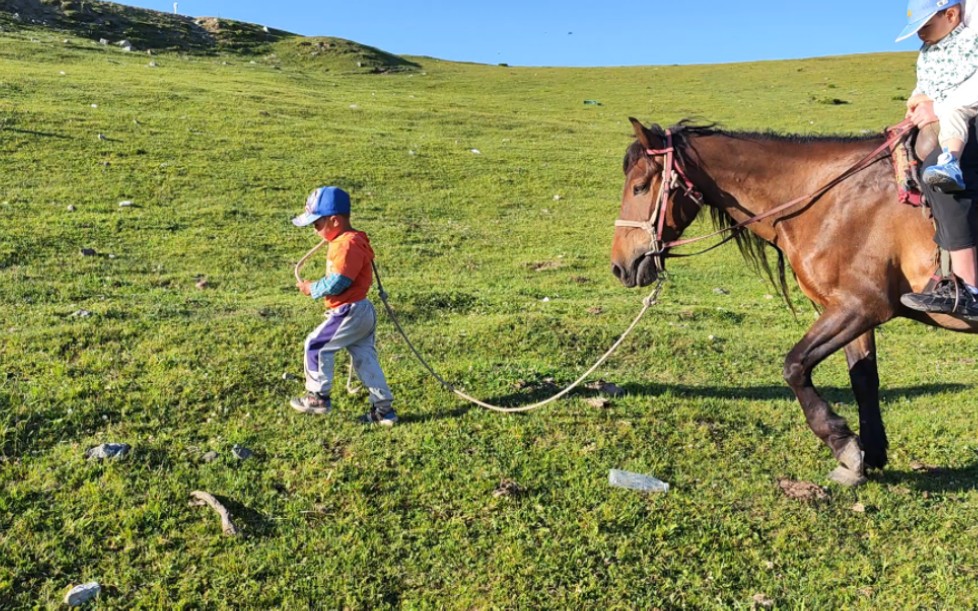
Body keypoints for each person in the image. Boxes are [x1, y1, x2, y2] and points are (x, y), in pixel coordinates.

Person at [290, 186, 397, 425]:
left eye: (317, 224)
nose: (315, 230)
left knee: (315, 345)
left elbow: (339, 281)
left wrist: (312, 288)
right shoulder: (351, 239)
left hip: (348, 310)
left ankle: (318, 396)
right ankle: (384, 411)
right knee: (365, 359)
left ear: (334, 220)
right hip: (362, 311)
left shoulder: (346, 244)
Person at [899, 0, 978, 318]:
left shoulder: (967, 38)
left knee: (940, 172)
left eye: (925, 26)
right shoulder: (932, 48)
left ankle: (969, 287)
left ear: (950, 15)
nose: (921, 34)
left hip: (966, 110)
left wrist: (939, 106)